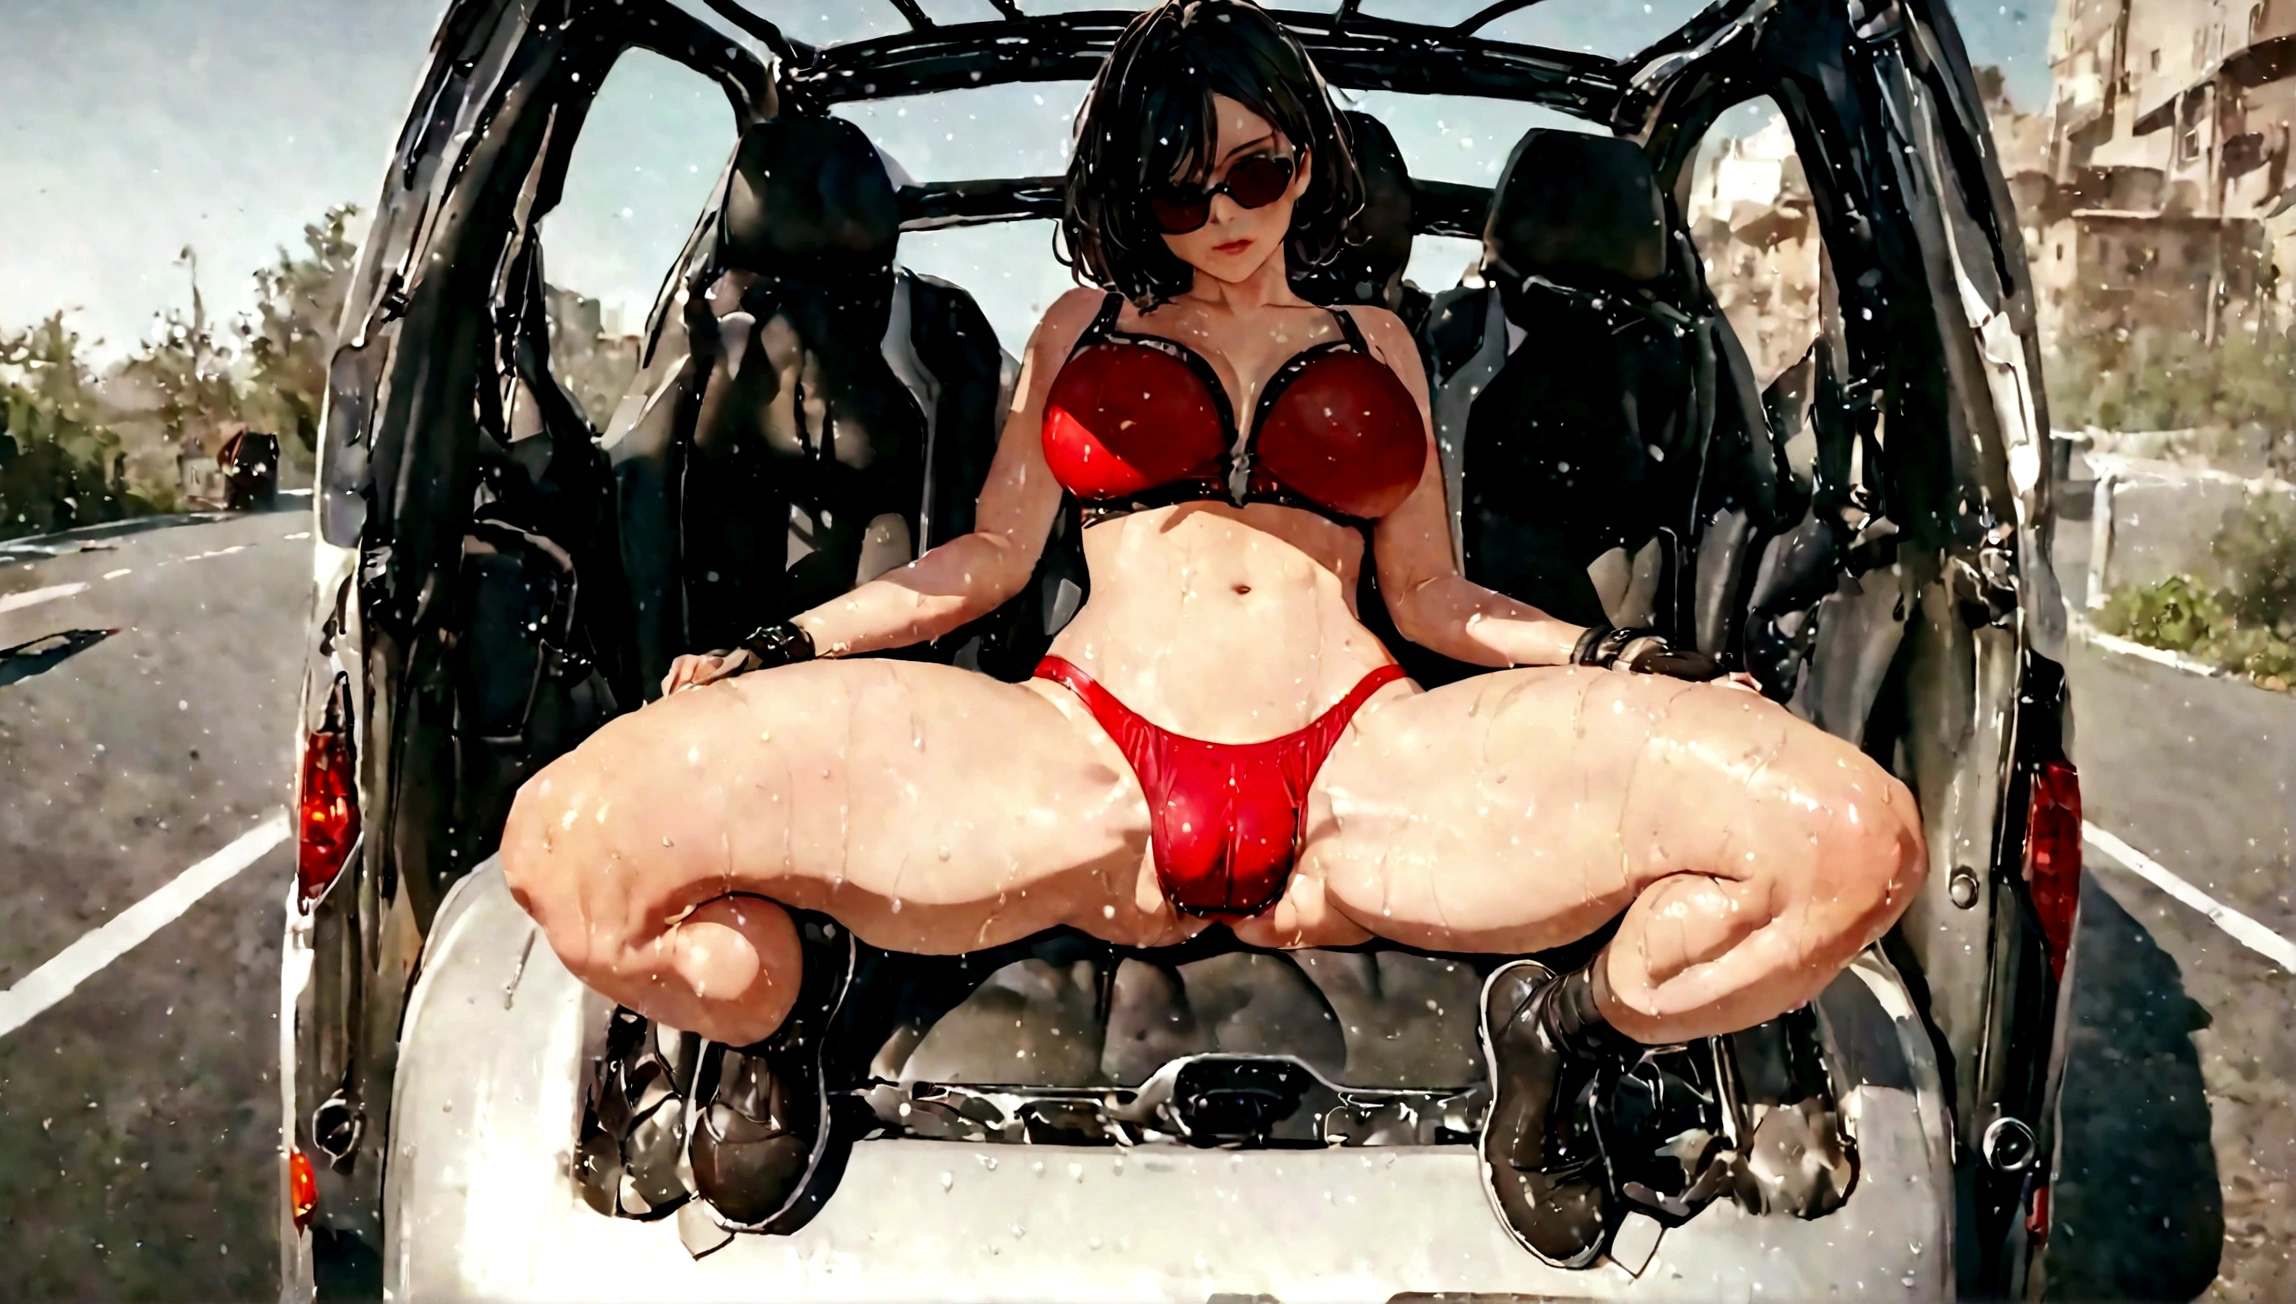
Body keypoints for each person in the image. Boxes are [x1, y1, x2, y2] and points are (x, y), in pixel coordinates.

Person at [501, 0, 1924, 1267]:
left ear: (1307, 156)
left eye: (1258, 171)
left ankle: (1567, 1034)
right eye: (1180, 185)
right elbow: (990, 562)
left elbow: (1434, 599)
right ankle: (785, 1017)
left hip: (1361, 767)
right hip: (1088, 763)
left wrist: (1615, 659)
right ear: (1134, 188)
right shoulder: (1077, 326)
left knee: (1855, 844)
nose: (1225, 215)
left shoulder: (1377, 339)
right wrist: (787, 644)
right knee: (569, 848)